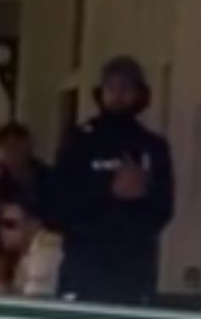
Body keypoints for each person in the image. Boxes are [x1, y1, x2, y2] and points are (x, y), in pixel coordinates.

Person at [50, 55, 175, 305]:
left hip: (133, 272)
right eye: (112, 88)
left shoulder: (152, 146)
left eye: (126, 88)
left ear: (140, 94)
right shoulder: (79, 141)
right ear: (100, 92)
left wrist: (143, 193)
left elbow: (164, 208)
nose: (118, 95)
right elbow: (55, 204)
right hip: (83, 269)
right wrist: (108, 191)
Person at [0, 194, 64, 297]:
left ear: (33, 224)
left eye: (9, 224)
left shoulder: (47, 247)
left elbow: (33, 304)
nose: (2, 232)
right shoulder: (20, 254)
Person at [0, 121, 51, 223]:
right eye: (6, 146)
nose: (12, 151)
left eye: (17, 145)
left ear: (28, 145)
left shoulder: (46, 176)